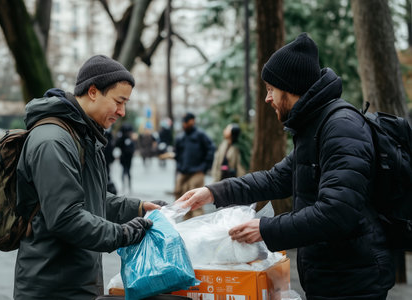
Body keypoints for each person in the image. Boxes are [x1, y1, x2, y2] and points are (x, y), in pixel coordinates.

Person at [176, 33, 394, 299]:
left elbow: (337, 212)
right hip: (331, 275)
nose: (267, 98)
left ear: (290, 87)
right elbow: (275, 179)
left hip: (354, 280)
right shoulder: (315, 126)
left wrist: (265, 229)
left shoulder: (340, 127)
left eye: (270, 89)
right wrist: (212, 192)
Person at [14, 55, 162, 299]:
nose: (122, 111)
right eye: (119, 101)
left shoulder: (83, 135)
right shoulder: (53, 141)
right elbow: (65, 216)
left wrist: (136, 208)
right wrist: (122, 234)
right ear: (93, 92)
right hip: (52, 287)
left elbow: (88, 198)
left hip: (77, 280)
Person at [174, 112, 215, 219]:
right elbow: (177, 153)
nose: (184, 124)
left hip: (197, 172)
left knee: (195, 199)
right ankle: (186, 222)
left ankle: (197, 223)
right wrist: (179, 166)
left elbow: (211, 149)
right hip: (183, 171)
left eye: (186, 122)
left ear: (192, 121)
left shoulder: (200, 135)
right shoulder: (180, 137)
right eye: (183, 122)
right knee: (180, 195)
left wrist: (204, 167)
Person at [115, 123, 136, 193]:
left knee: (127, 172)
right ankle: (125, 186)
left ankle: (128, 186)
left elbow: (133, 147)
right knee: (125, 171)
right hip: (124, 157)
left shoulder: (129, 138)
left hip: (128, 157)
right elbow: (117, 145)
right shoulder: (122, 138)